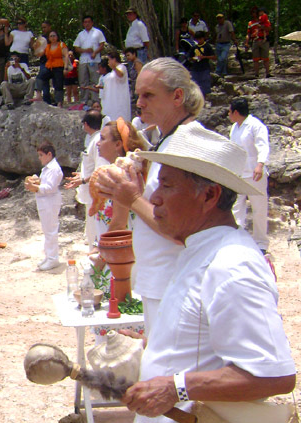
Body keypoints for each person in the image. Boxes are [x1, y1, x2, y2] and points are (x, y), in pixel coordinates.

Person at [120, 124, 295, 423]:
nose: (155, 198)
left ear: (210, 195)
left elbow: (273, 375)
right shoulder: (198, 250)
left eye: (167, 185)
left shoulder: (232, 265)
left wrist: (176, 388)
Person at [94, 58, 205, 336]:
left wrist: (130, 197)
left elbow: (179, 228)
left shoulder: (186, 144)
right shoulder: (167, 140)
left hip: (176, 281)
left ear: (177, 96)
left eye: (149, 95)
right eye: (138, 95)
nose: (140, 103)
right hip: (159, 280)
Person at [228, 97, 270, 253]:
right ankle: (237, 238)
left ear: (236, 112)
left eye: (230, 112)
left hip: (254, 173)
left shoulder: (256, 126)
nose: (229, 115)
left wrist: (260, 165)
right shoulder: (234, 128)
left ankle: (261, 243)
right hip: (238, 173)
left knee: (259, 208)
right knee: (236, 207)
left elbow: (263, 146)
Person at [64, 110, 107, 248]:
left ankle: (94, 252)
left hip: (93, 190)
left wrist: (83, 180)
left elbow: (99, 168)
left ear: (86, 124)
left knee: (94, 226)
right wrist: (80, 176)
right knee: (90, 224)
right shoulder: (94, 139)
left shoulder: (98, 141)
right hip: (89, 188)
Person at [24, 142, 64, 271]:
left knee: (51, 230)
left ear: (49, 154)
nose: (39, 158)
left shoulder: (53, 168)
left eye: (41, 155)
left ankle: (53, 258)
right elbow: (45, 182)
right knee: (47, 230)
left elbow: (50, 187)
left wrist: (34, 187)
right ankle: (48, 256)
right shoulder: (47, 168)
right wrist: (35, 181)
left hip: (50, 201)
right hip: (45, 201)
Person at [74, 15, 106, 106]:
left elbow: (102, 44)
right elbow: (76, 47)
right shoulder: (81, 34)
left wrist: (95, 52)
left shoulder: (97, 32)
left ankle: (95, 99)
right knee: (83, 80)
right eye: (85, 22)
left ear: (92, 22)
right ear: (83, 23)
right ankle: (84, 99)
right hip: (84, 60)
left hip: (94, 60)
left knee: (95, 79)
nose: (87, 24)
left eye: (89, 22)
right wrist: (85, 50)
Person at [32, 30, 69, 107]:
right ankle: (38, 95)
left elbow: (66, 56)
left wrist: (65, 68)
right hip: (49, 65)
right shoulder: (47, 46)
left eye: (54, 36)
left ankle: (59, 102)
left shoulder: (61, 45)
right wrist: (36, 47)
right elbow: (39, 54)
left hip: (59, 66)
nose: (52, 38)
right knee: (40, 77)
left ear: (57, 37)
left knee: (59, 84)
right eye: (51, 36)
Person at [100, 51, 131, 121]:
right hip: (111, 98)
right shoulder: (112, 72)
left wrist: (114, 67)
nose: (108, 61)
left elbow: (121, 75)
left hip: (119, 99)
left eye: (109, 59)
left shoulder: (121, 67)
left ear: (114, 59)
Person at [245, 6, 272, 78]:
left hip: (264, 40)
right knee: (255, 59)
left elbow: (269, 28)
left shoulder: (264, 20)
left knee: (266, 58)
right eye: (252, 12)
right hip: (255, 41)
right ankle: (256, 74)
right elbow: (248, 34)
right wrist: (246, 43)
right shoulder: (250, 23)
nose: (254, 14)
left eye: (255, 12)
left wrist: (261, 26)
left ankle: (267, 73)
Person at [187, 31, 215, 96]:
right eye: (198, 39)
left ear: (203, 38)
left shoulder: (207, 46)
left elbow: (214, 57)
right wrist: (194, 58)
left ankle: (206, 96)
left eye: (200, 39)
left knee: (205, 83)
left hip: (205, 67)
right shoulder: (194, 47)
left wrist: (204, 57)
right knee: (195, 84)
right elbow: (189, 57)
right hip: (195, 68)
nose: (199, 41)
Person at [34, 21, 54, 104]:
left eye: (45, 27)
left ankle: (56, 100)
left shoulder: (54, 37)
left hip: (53, 62)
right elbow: (37, 51)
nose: (43, 29)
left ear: (49, 27)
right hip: (44, 61)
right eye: (42, 27)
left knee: (55, 82)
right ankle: (46, 100)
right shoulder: (41, 38)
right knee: (44, 81)